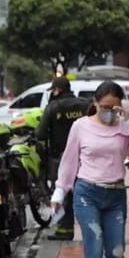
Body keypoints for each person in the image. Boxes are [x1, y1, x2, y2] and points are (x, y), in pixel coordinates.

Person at [51, 81, 129, 258]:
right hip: (87, 193)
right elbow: (69, 161)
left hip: (115, 195)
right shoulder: (81, 126)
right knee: (95, 248)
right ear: (96, 104)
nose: (109, 112)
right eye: (105, 107)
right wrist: (60, 192)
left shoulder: (125, 128)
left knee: (117, 252)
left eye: (115, 108)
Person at [37, 76, 91, 241]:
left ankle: (65, 229)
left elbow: (41, 134)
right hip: (87, 154)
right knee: (88, 190)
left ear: (57, 90)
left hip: (63, 156)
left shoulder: (53, 107)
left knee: (64, 191)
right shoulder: (85, 104)